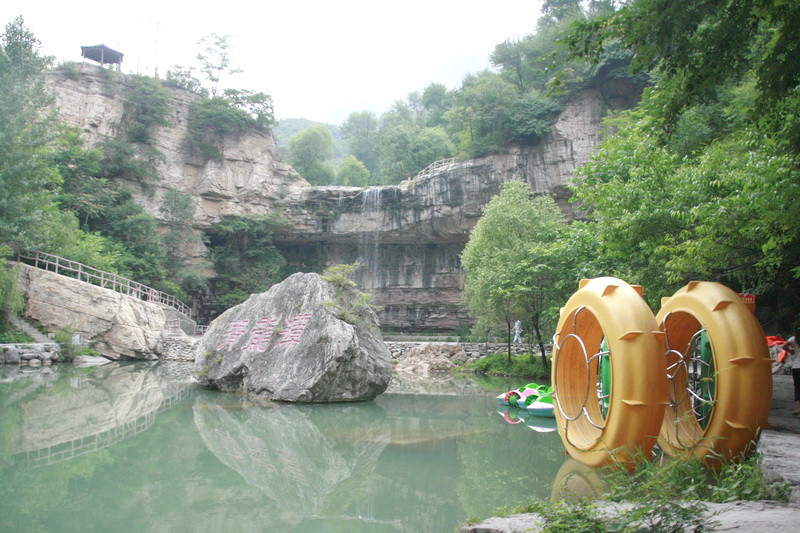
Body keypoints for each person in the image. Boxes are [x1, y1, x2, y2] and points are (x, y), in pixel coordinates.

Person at [780, 326, 800, 415]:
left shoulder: (794, 339)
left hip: (796, 367)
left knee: (797, 388)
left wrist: (790, 351)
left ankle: (798, 407)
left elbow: (783, 346)